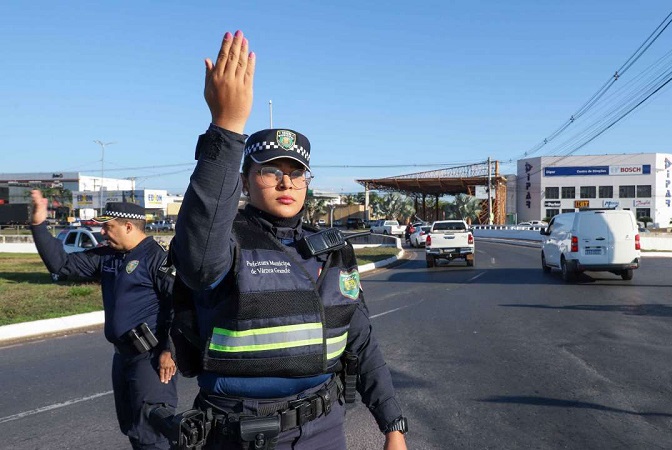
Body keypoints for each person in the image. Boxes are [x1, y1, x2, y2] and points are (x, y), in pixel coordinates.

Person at [170, 30, 407, 450]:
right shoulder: (225, 244)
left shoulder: (333, 249)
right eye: (268, 170)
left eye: (296, 172)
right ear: (244, 180)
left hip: (323, 429)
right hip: (239, 433)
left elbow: (362, 341)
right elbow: (198, 252)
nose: (285, 181)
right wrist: (227, 127)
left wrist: (393, 425)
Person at [28, 193, 178, 450]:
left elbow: (180, 306)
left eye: (108, 227)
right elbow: (61, 264)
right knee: (132, 427)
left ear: (128, 227)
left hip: (151, 360)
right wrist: (38, 225)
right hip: (122, 357)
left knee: (152, 434)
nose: (103, 233)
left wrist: (170, 349)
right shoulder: (107, 256)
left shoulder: (158, 259)